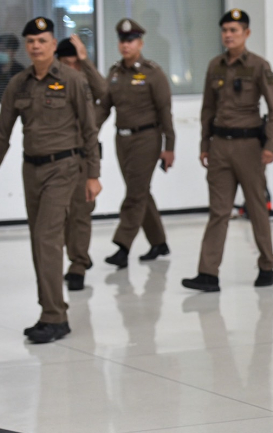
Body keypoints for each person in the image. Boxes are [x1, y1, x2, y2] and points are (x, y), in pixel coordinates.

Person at [0, 17, 102, 344]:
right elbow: (2, 133)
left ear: (52, 44)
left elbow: (89, 129)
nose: (36, 46)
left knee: (47, 238)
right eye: (31, 41)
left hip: (64, 167)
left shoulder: (72, 80)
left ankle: (54, 317)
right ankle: (51, 308)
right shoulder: (18, 84)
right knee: (39, 240)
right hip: (31, 170)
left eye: (42, 41)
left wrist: (93, 174)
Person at [183, 8, 273, 291]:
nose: (228, 35)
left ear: (246, 33)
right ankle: (208, 273)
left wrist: (270, 145)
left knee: (257, 208)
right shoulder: (215, 66)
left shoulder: (259, 66)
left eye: (234, 30)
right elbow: (207, 109)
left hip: (250, 147)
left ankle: (267, 266)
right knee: (219, 211)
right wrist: (204, 144)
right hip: (219, 147)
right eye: (225, 30)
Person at [99, 18, 175, 270]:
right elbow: (103, 108)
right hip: (122, 140)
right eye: (122, 40)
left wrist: (169, 147)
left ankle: (123, 246)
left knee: (134, 194)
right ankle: (159, 242)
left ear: (140, 43)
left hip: (147, 139)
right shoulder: (114, 74)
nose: (126, 45)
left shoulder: (153, 73)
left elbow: (165, 112)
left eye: (131, 40)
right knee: (140, 191)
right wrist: (89, 132)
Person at [56, 35, 108, 290]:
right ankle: (78, 255)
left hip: (83, 157)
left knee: (80, 212)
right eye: (67, 63)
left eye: (76, 63)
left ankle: (77, 264)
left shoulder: (86, 80)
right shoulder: (53, 82)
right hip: (57, 157)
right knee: (62, 214)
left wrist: (85, 61)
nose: (72, 68)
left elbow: (105, 93)